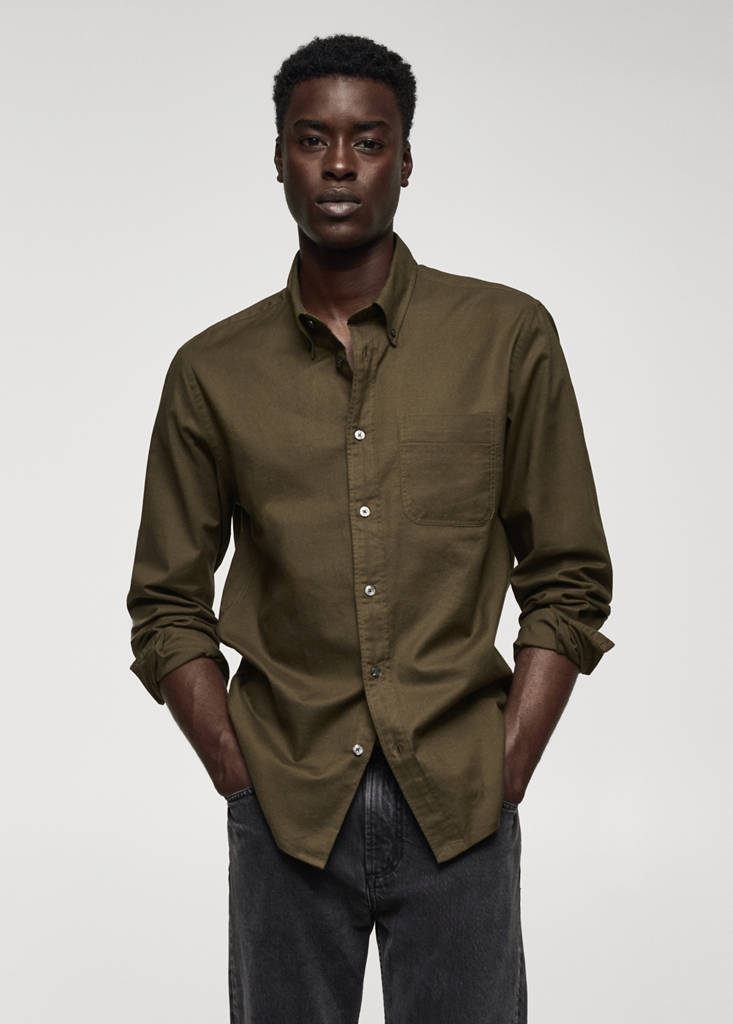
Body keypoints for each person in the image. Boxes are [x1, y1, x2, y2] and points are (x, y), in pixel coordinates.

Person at [126, 33, 614, 1024]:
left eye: (368, 140)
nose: (339, 165)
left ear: (405, 159)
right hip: (286, 808)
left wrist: (507, 763)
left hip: (461, 807)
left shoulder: (506, 338)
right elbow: (166, 603)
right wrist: (239, 773)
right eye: (313, 139)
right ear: (278, 158)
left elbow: (567, 576)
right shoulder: (213, 371)